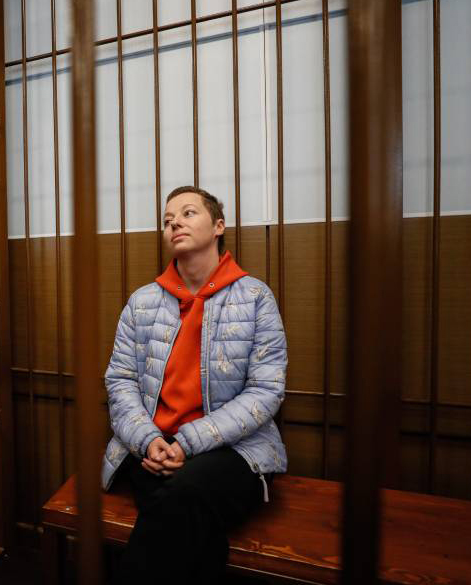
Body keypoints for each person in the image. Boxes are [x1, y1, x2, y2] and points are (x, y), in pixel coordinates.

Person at [103, 186, 288, 585]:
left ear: (218, 226)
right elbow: (120, 381)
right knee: (186, 510)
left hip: (233, 450)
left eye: (188, 213)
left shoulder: (255, 297)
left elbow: (266, 390)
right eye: (168, 220)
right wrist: (148, 440)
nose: (175, 223)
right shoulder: (142, 302)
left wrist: (188, 443)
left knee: (182, 494)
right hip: (153, 447)